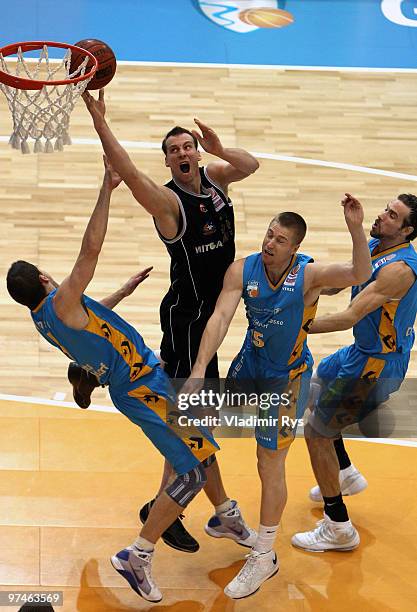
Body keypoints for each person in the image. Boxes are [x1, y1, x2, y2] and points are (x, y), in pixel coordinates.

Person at [6, 157, 254, 603]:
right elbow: (90, 249)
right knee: (192, 472)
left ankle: (225, 514)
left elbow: (88, 320)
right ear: (44, 278)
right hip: (143, 387)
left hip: (140, 382)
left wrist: (121, 292)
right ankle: (137, 554)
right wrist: (107, 188)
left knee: (202, 442)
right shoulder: (62, 300)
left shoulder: (48, 317)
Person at [81, 89, 259, 553]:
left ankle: (171, 506)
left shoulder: (217, 178)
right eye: (174, 150)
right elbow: (128, 171)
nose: (183, 153)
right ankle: (172, 512)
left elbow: (250, 165)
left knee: (197, 423)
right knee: (191, 425)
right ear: (167, 163)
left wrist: (218, 148)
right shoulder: (168, 204)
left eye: (188, 147)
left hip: (213, 321)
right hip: (186, 323)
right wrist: (101, 122)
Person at [181, 194, 372, 599]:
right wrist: (199, 371)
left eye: (280, 240)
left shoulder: (308, 277)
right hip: (250, 361)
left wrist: (356, 228)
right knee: (199, 427)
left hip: (284, 380)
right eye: (269, 234)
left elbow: (359, 272)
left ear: (295, 248)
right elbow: (218, 319)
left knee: (268, 461)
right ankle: (222, 512)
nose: (270, 243)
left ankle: (264, 554)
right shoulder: (242, 269)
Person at [292, 193, 417, 551]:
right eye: (386, 209)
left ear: (407, 231)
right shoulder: (378, 245)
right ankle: (344, 472)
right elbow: (347, 278)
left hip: (374, 367)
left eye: (392, 216)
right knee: (314, 392)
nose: (383, 215)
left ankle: (338, 527)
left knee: (316, 432)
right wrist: (312, 278)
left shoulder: (399, 270)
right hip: (361, 352)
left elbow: (349, 317)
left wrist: (295, 327)